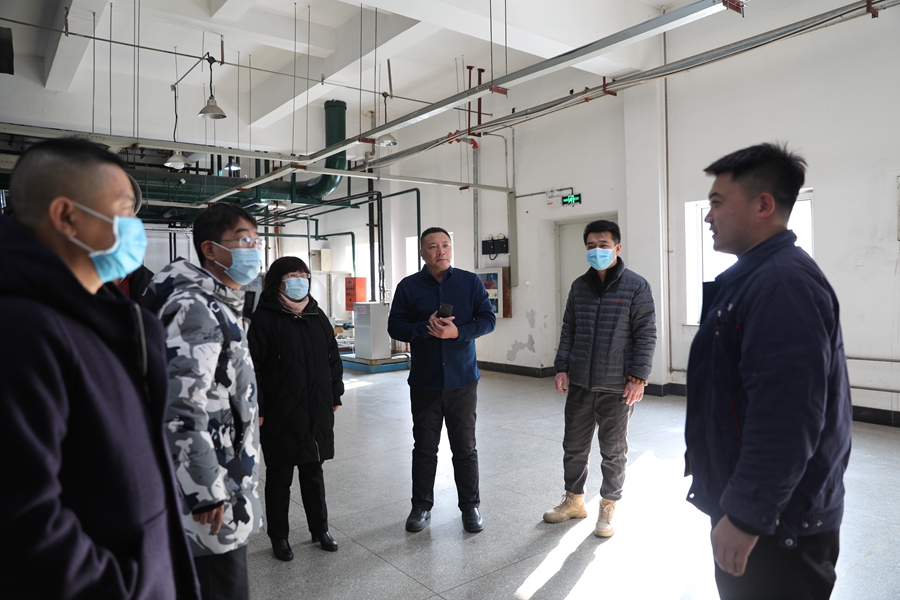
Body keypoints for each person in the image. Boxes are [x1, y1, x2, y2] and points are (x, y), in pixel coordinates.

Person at [0, 137, 200, 598]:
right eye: (124, 210)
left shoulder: (102, 315)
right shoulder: (20, 329)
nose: (135, 227)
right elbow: (22, 522)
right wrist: (126, 587)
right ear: (66, 216)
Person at [685, 143, 852, 600]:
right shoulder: (753, 278)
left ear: (763, 205)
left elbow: (787, 417)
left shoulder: (783, 285)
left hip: (780, 524)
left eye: (717, 203)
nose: (708, 217)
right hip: (765, 510)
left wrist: (746, 516)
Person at [144, 203, 263, 600]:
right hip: (212, 493)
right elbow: (181, 407)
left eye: (256, 241)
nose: (253, 250)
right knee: (219, 586)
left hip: (224, 477)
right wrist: (205, 490)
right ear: (211, 250)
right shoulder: (196, 307)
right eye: (243, 240)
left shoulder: (219, 303)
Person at [544, 219, 657, 537]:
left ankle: (607, 508)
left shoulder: (636, 286)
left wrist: (638, 377)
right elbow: (569, 329)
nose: (597, 251)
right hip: (581, 382)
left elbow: (646, 334)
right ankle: (574, 502)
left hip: (617, 387)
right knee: (573, 447)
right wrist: (562, 366)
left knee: (613, 451)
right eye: (591, 246)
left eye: (603, 245)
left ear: (617, 248)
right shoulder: (579, 286)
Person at [388, 227, 496, 534]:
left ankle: (470, 507)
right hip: (425, 381)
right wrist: (426, 327)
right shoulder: (409, 287)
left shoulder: (469, 282)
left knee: (465, 448)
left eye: (446, 245)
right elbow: (395, 326)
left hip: (463, 380)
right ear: (422, 252)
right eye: (433, 246)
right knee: (424, 447)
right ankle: (421, 506)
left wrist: (457, 332)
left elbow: (487, 319)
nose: (441, 251)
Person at [248, 256, 344, 559]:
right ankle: (279, 537)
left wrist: (335, 394)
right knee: (279, 477)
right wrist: (258, 407)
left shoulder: (317, 315)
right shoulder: (264, 319)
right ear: (277, 282)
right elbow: (253, 368)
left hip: (316, 408)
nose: (299, 281)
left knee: (313, 472)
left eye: (303, 275)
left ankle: (320, 529)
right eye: (292, 276)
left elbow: (333, 359)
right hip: (279, 413)